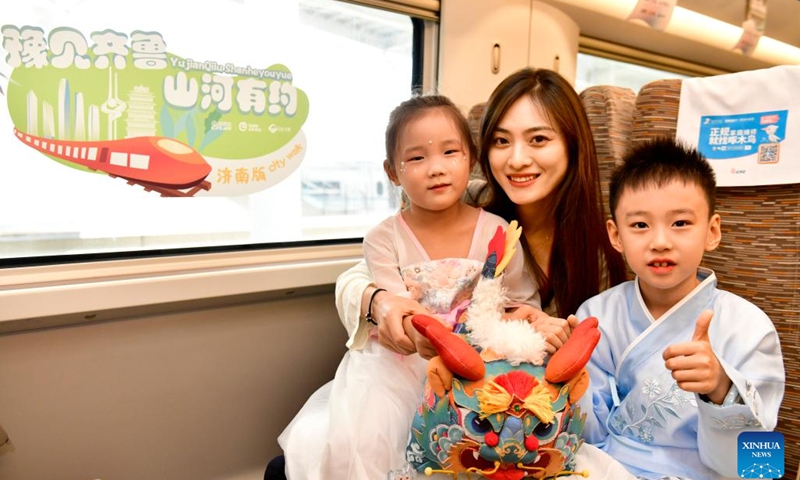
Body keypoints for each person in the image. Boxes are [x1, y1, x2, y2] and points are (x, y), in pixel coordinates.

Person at [277, 94, 540, 480]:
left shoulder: (498, 231)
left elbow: (515, 301)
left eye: (450, 152)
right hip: (400, 365)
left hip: (478, 360)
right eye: (417, 158)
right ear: (392, 171)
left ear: (471, 158)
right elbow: (401, 313)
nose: (436, 168)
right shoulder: (383, 239)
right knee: (367, 445)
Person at [576, 137, 785, 480]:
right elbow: (585, 437)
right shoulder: (595, 317)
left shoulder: (749, 327)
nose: (660, 241)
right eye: (640, 225)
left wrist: (721, 388)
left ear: (712, 231)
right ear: (615, 236)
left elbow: (758, 467)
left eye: (681, 223)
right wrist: (563, 372)